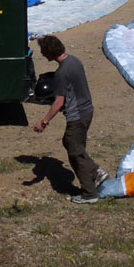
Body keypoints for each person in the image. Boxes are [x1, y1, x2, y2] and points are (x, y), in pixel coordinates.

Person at [32, 35, 107, 204]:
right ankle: (96, 173)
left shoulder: (61, 73)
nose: (43, 55)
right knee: (70, 143)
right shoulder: (74, 61)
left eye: (44, 52)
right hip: (87, 111)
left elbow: (59, 101)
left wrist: (43, 122)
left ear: (50, 52)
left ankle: (89, 192)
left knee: (75, 153)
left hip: (77, 116)